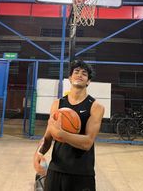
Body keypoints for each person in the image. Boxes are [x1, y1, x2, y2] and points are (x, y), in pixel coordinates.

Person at [33, 60, 105, 191]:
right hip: (56, 169)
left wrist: (61, 134)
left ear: (88, 81)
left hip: (82, 172)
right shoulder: (57, 104)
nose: (79, 75)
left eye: (84, 73)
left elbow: (87, 142)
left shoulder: (96, 107)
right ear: (70, 78)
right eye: (76, 72)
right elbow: (47, 137)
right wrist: (38, 153)